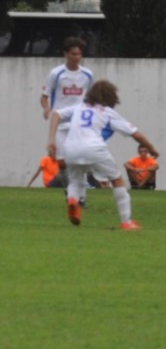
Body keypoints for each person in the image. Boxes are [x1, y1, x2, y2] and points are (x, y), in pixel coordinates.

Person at [46, 80, 159, 230]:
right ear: (110, 97)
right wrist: (151, 148)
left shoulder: (78, 108)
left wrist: (51, 140)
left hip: (70, 148)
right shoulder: (107, 112)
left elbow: (56, 114)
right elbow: (135, 134)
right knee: (117, 180)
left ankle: (73, 200)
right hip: (94, 148)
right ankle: (126, 221)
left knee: (74, 181)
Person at [40, 36, 93, 198]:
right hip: (60, 122)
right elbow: (44, 95)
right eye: (73, 54)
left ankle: (81, 197)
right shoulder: (56, 74)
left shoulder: (87, 74)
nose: (76, 57)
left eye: (79, 54)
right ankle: (67, 186)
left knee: (80, 160)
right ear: (66, 54)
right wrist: (47, 108)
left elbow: (90, 97)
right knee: (62, 161)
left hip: (79, 123)